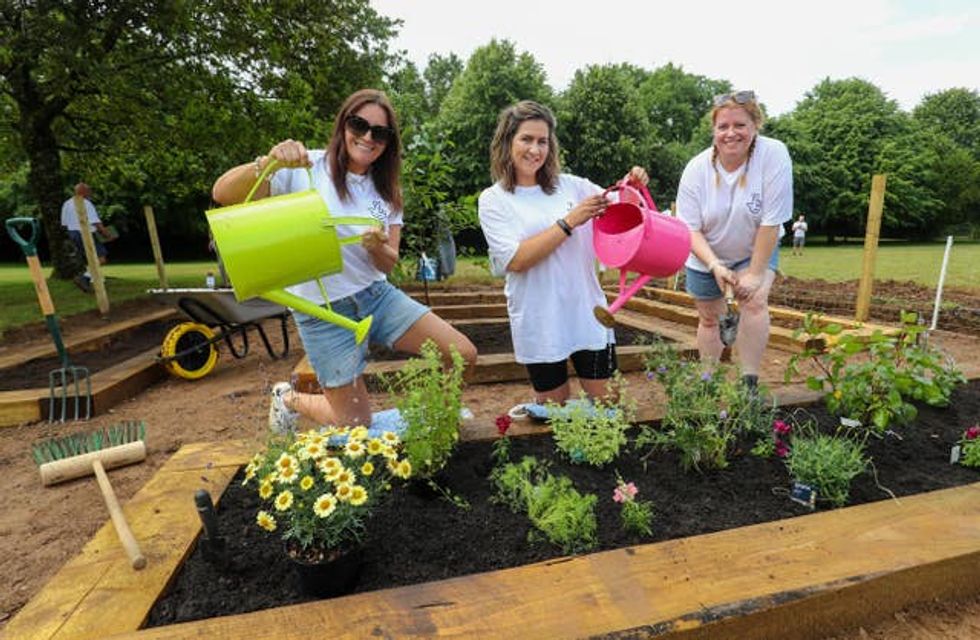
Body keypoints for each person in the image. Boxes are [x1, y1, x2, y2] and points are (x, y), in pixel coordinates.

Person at [211, 89, 477, 431]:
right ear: (343, 124)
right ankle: (288, 398)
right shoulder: (303, 168)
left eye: (379, 133)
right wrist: (268, 162)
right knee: (354, 423)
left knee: (462, 355)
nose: (368, 137)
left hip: (376, 298)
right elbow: (222, 193)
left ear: (388, 142)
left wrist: (377, 247)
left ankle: (433, 425)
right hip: (322, 312)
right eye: (359, 125)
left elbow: (387, 262)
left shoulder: (386, 194)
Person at [478, 100, 648, 405]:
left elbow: (627, 209)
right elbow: (515, 260)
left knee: (608, 406)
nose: (535, 149)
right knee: (554, 415)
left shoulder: (572, 187)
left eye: (542, 141)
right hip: (540, 318)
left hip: (587, 312)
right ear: (507, 142)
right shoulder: (494, 200)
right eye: (526, 139)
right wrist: (570, 221)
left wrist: (631, 184)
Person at [676, 90, 793, 389]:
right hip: (706, 253)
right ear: (714, 131)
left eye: (740, 125)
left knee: (754, 302)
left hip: (754, 246)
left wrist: (754, 275)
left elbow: (771, 220)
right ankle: (708, 382)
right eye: (723, 127)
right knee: (709, 319)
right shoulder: (696, 169)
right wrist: (715, 265)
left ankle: (748, 383)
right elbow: (689, 229)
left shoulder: (773, 154)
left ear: (755, 125)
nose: (731, 133)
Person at [60, 182, 113, 292]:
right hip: (86, 233)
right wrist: (106, 234)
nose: (90, 192)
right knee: (101, 259)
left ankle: (92, 279)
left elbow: (64, 224)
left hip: (73, 234)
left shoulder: (67, 204)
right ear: (83, 191)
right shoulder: (86, 203)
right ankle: (84, 278)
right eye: (88, 190)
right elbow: (95, 222)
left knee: (90, 259)